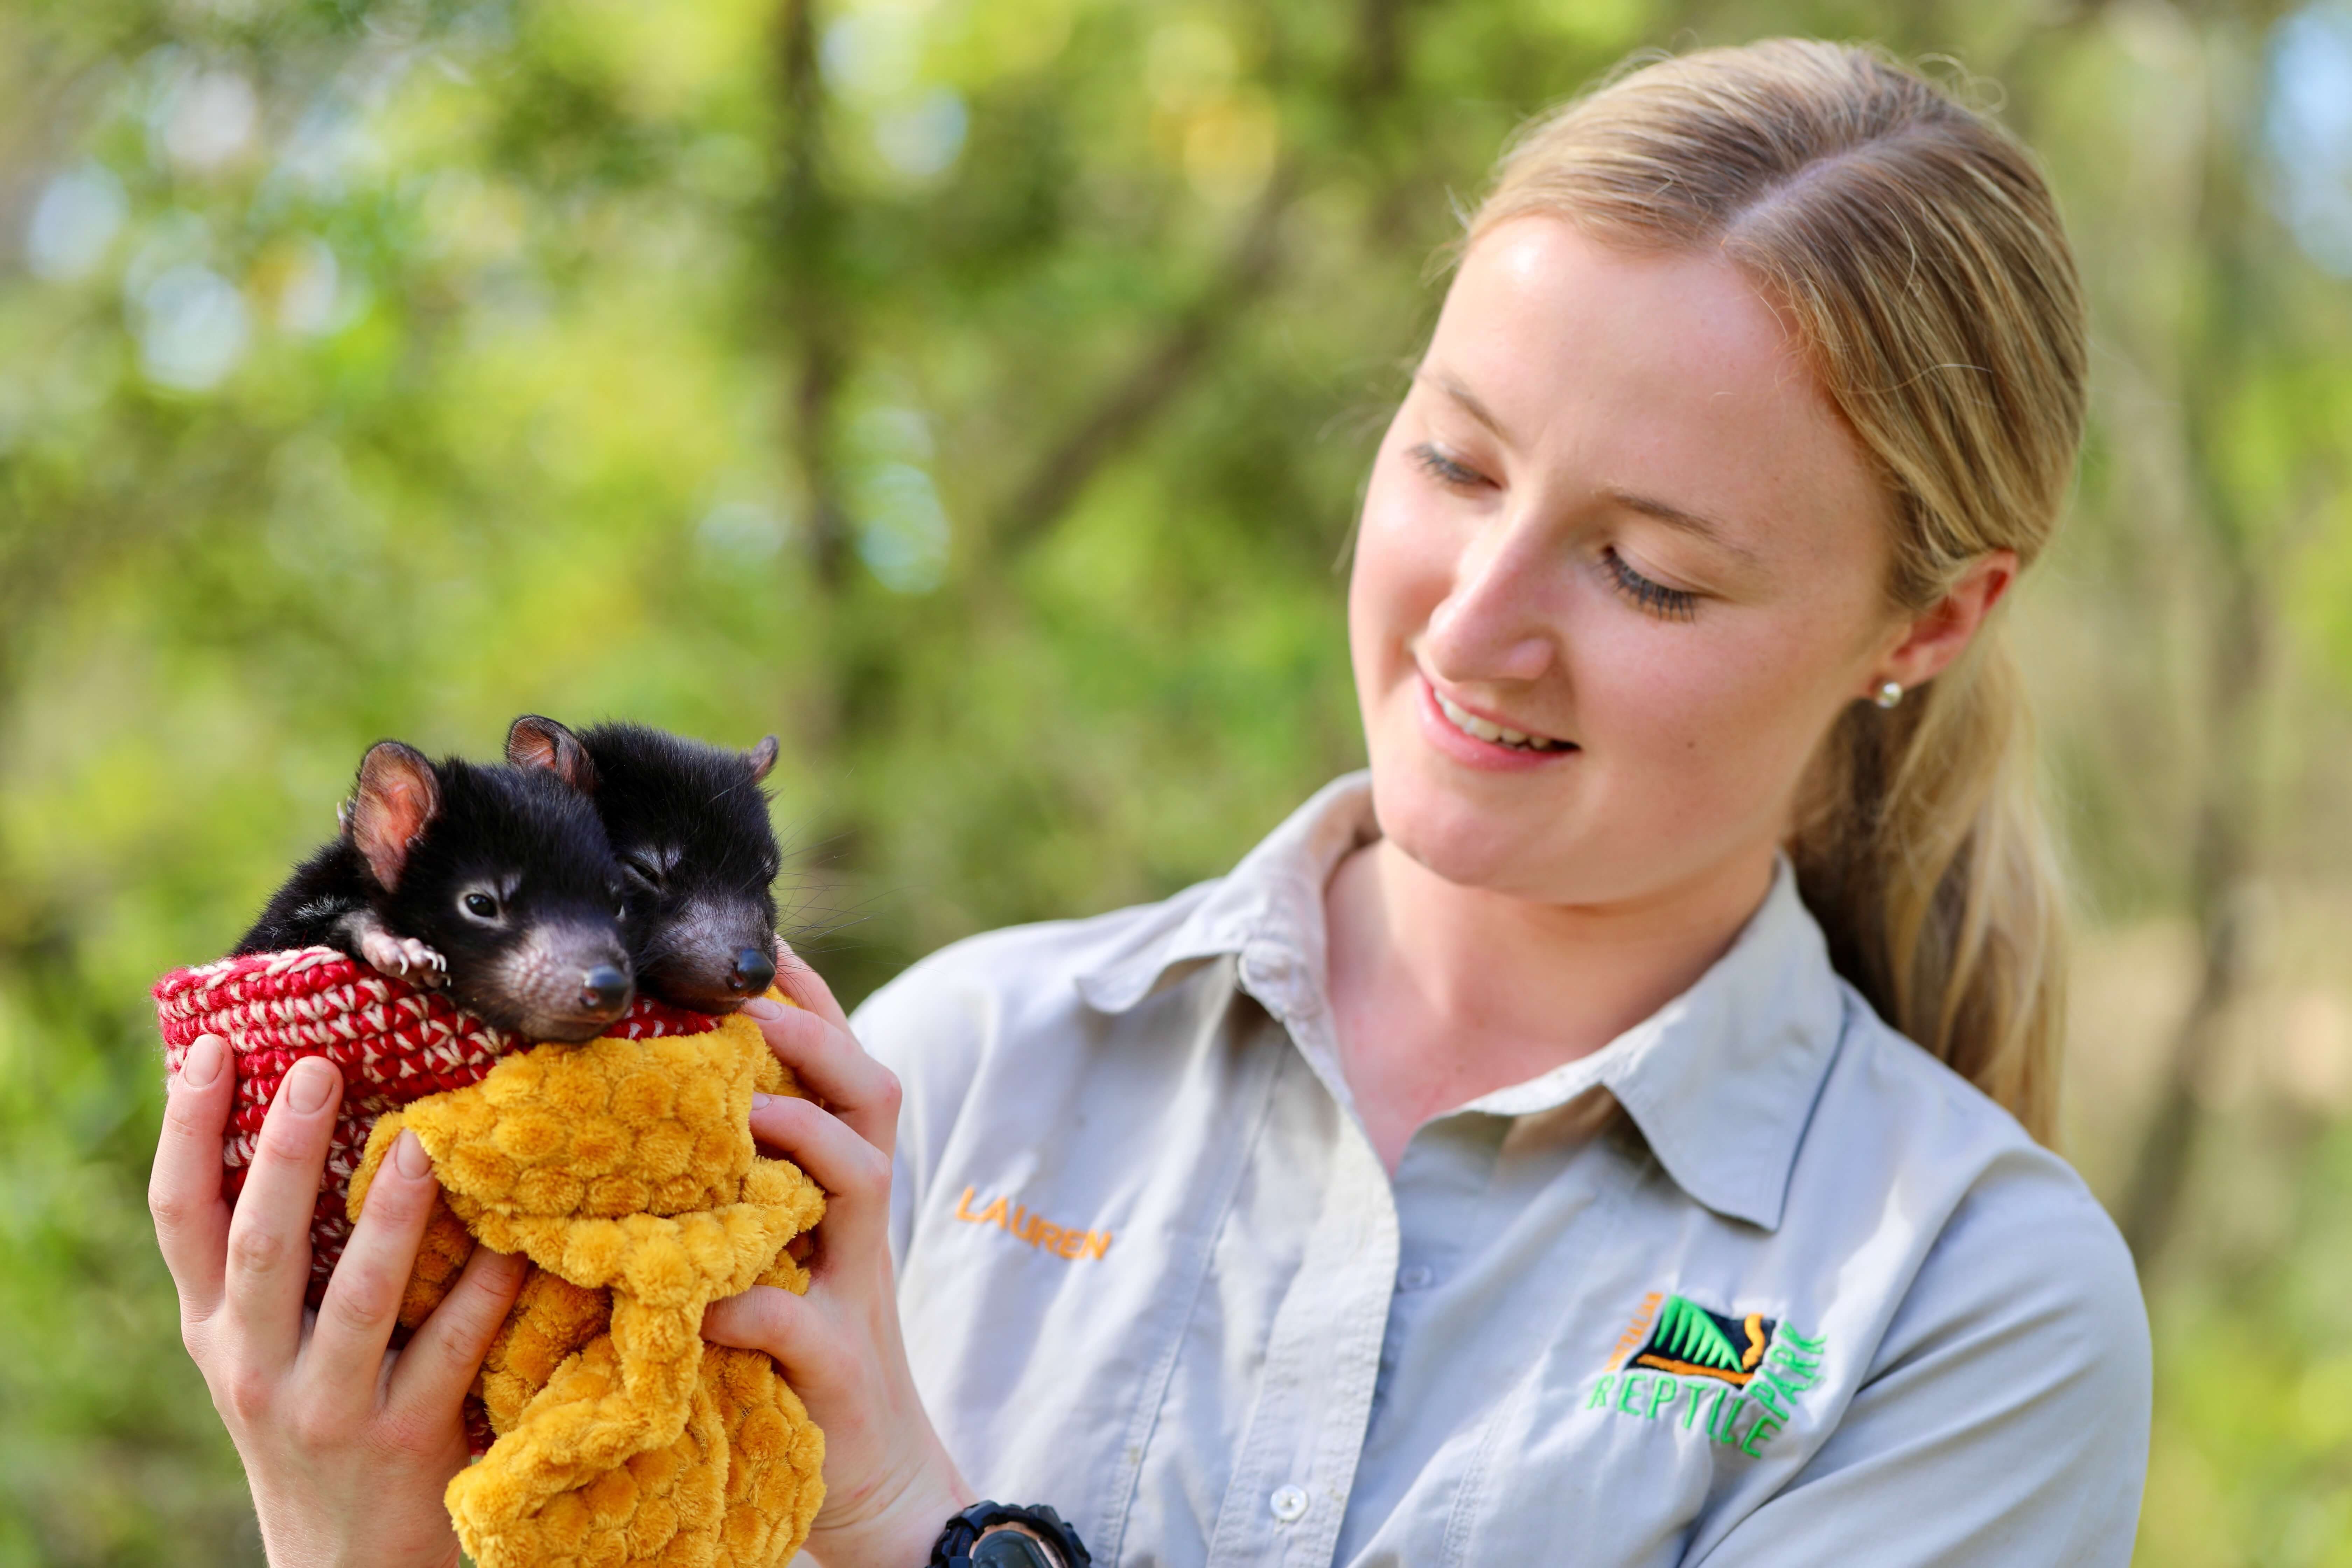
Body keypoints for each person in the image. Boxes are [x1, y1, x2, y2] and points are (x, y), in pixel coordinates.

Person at [148, 38, 2152, 1568]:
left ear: (1933, 620)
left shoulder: (1960, 1308)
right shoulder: (944, 1069)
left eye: (1650, 573)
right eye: (1456, 465)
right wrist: (375, 1531)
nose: (1479, 623)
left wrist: (915, 1513)